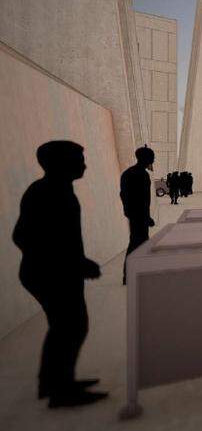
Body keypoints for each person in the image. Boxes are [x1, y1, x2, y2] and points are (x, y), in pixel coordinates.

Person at [12, 141, 108, 407]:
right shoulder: (47, 192)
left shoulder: (57, 189)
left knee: (68, 327)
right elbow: (22, 236)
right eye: (78, 159)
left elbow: (60, 239)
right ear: (60, 163)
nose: (84, 164)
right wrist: (72, 264)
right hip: (49, 275)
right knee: (69, 327)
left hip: (60, 272)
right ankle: (60, 391)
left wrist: (78, 262)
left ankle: (57, 383)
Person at [120, 145, 156, 285]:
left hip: (133, 214)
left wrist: (128, 211)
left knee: (137, 243)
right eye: (152, 157)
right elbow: (143, 200)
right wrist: (147, 218)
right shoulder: (142, 175)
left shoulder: (127, 173)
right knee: (138, 244)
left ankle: (130, 274)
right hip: (139, 215)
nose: (153, 160)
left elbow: (123, 195)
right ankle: (131, 275)